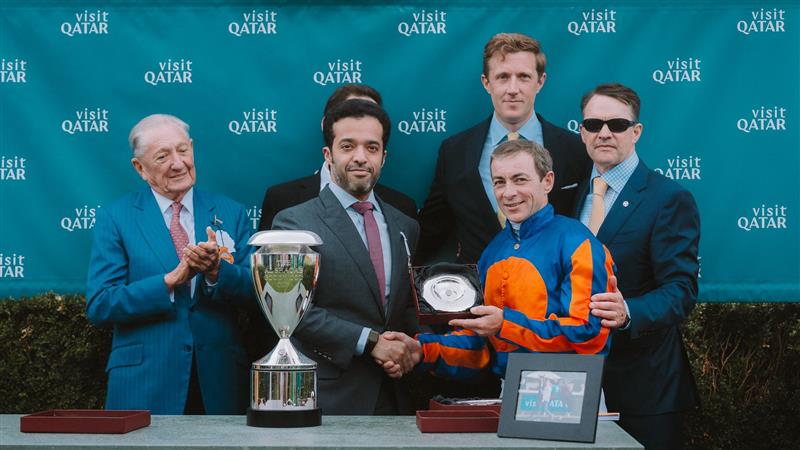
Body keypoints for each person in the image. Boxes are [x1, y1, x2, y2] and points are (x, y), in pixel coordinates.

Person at [383, 139, 614, 383]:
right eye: (499, 182)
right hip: (509, 395)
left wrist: (505, 324)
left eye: (520, 179)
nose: (509, 192)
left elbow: (590, 335)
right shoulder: (493, 251)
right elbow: (481, 348)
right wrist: (423, 350)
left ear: (547, 181)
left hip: (571, 391)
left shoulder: (577, 242)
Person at [86, 114, 254, 415]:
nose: (178, 163)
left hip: (219, 380)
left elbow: (256, 292)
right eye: (162, 156)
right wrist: (168, 281)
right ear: (140, 168)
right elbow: (100, 304)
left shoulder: (231, 212)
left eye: (183, 151)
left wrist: (217, 272)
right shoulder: (117, 218)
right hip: (144, 382)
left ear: (192, 149)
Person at [272, 99, 420, 415]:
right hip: (332, 396)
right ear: (329, 155)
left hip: (396, 394)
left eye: (371, 147)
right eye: (348, 146)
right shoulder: (294, 223)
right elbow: (292, 311)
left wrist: (413, 346)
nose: (360, 158)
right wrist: (371, 341)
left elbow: (406, 306)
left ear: (384, 156)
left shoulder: (405, 225)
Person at [575, 83, 700, 449]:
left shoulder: (668, 198)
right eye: (594, 124)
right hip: (575, 383)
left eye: (616, 123)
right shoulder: (570, 195)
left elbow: (681, 290)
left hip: (646, 387)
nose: (604, 133)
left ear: (636, 131)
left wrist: (628, 311)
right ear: (582, 132)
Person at [416, 33, 591, 265]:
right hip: (478, 291)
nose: (513, 89)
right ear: (486, 83)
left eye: (523, 77)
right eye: (503, 77)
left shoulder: (575, 148)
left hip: (553, 291)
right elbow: (432, 229)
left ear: (540, 81)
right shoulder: (455, 151)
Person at [258, 84, 417, 230]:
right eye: (350, 112)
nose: (361, 120)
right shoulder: (283, 201)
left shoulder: (402, 210)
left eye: (370, 113)